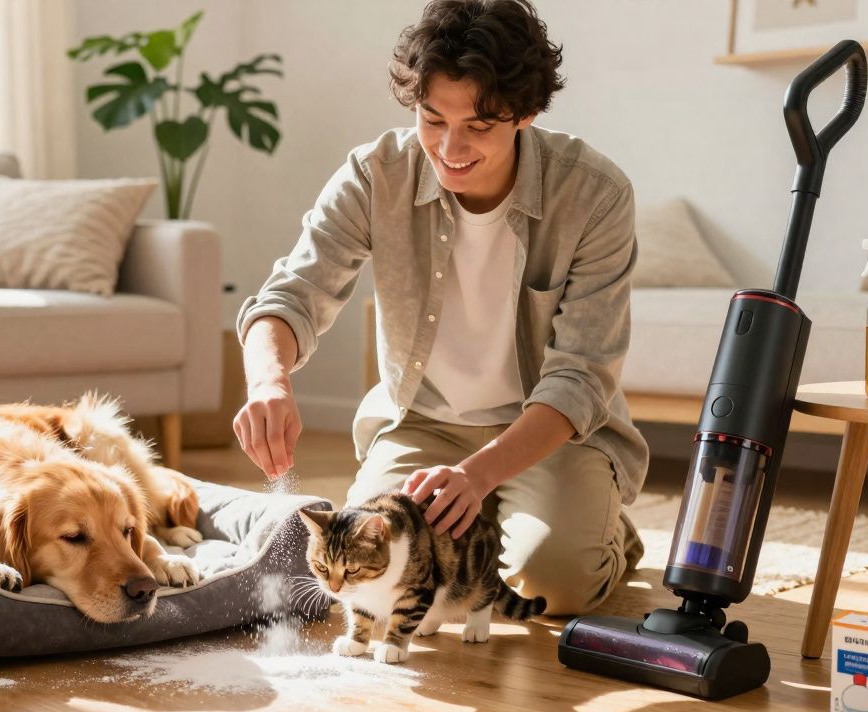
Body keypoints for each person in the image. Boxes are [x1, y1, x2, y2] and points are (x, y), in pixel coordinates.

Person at [233, 0, 649, 615]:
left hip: (549, 432)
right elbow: (292, 294)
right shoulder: (375, 176)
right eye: (432, 119)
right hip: (421, 422)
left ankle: (601, 529)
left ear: (525, 114)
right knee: (376, 580)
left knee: (552, 583)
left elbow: (579, 377)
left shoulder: (595, 194)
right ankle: (523, 513)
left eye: (478, 127)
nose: (450, 148)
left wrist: (480, 475)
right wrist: (269, 380)